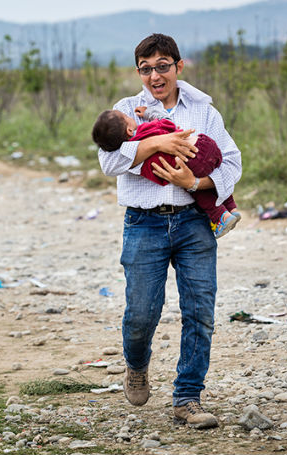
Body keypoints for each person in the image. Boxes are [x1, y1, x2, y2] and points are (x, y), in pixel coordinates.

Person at [97, 33, 241, 429]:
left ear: (179, 66)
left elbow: (231, 164)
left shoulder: (204, 109)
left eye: (163, 66)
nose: (154, 76)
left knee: (200, 312)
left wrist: (192, 183)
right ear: (138, 72)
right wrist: (160, 141)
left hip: (195, 221)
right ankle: (137, 365)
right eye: (146, 69)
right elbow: (109, 162)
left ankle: (187, 398)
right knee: (142, 312)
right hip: (144, 223)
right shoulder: (125, 109)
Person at [92, 106, 241, 238]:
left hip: (193, 158)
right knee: (215, 173)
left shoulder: (138, 148)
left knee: (196, 190)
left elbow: (152, 171)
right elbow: (166, 120)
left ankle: (221, 216)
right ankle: (231, 208)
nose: (129, 115)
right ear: (129, 130)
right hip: (204, 144)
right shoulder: (147, 128)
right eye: (126, 117)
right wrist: (150, 113)